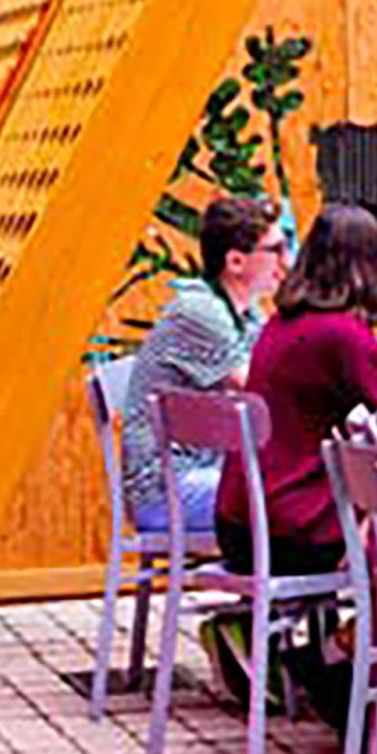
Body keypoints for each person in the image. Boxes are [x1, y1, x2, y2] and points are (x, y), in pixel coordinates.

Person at [226, 204, 377, 721]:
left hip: (247, 521)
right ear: (366, 266)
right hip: (289, 530)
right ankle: (342, 662)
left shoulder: (282, 324)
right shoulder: (341, 335)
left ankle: (340, 659)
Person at [120, 194, 287, 536]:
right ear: (236, 262)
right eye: (275, 250)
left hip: (204, 475)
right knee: (299, 498)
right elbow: (261, 392)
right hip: (166, 490)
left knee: (302, 493)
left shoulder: (247, 314)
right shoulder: (200, 312)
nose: (285, 262)